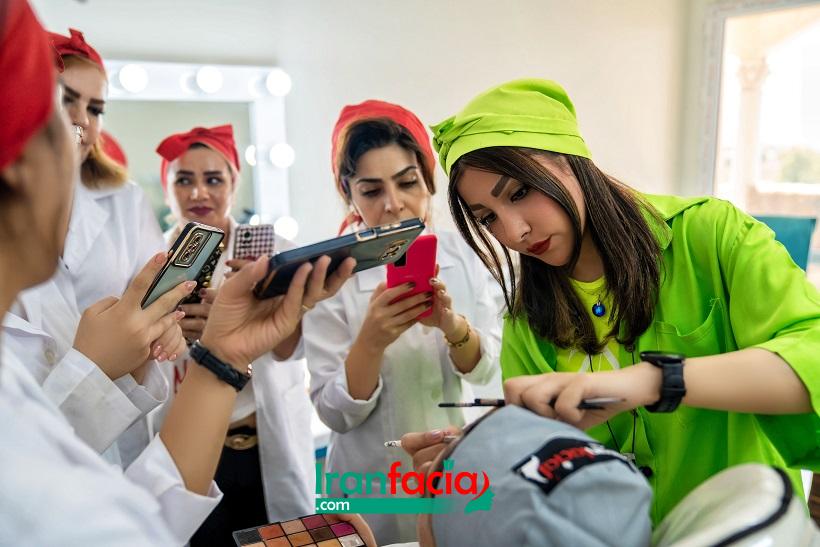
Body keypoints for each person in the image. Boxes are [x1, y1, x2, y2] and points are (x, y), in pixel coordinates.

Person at [0, 4, 354, 542]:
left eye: (94, 110)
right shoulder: (153, 257)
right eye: (58, 113)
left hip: (244, 443)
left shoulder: (263, 248)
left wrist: (223, 354)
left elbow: (145, 515)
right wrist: (103, 364)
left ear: (235, 183)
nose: (80, 130)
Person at [424, 77, 820, 524]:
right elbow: (550, 466)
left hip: (747, 530)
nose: (515, 232)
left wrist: (655, 381)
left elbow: (813, 359)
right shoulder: (527, 319)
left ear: (570, 160)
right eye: (488, 218)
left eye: (519, 192)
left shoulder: (710, 236)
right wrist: (482, 455)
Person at [303, 100, 502, 544]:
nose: (394, 205)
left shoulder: (467, 256)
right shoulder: (329, 275)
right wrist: (370, 342)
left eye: (408, 182)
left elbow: (488, 371)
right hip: (368, 485)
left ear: (428, 181)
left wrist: (453, 327)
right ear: (349, 193)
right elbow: (333, 414)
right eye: (371, 191)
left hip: (452, 468)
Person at [2, 25, 173, 467]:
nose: (81, 120)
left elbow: (154, 296)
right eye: (66, 99)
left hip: (120, 422)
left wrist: (160, 326)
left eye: (95, 108)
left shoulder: (125, 200)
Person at [151, 124, 317, 544]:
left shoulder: (271, 252)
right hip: (187, 446)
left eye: (213, 179)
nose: (199, 193)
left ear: (234, 183)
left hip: (265, 445)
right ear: (167, 189)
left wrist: (245, 320)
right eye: (184, 180)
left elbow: (291, 350)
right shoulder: (149, 262)